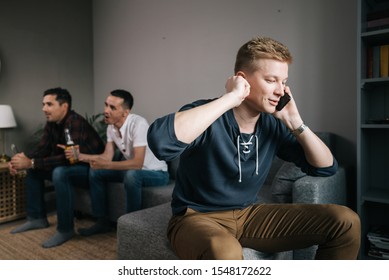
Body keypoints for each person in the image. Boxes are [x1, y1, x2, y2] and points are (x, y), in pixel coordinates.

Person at [147, 36, 361, 260]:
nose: (280, 90)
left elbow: (326, 167)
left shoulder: (272, 126)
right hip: (196, 217)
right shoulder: (208, 113)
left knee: (345, 221)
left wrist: (295, 121)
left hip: (249, 214)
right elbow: (161, 144)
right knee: (225, 250)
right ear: (242, 80)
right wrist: (231, 98)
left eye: (284, 81)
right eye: (271, 80)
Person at [9, 87, 105, 248]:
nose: (44, 108)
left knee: (60, 172)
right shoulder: (52, 123)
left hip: (92, 170)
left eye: (49, 104)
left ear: (64, 106)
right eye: (43, 104)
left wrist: (31, 163)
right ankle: (36, 218)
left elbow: (69, 160)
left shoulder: (75, 122)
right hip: (72, 167)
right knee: (35, 170)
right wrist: (21, 160)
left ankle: (66, 229)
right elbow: (42, 148)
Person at [65, 89, 169, 236]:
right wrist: (80, 155)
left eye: (112, 108)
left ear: (125, 112)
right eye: (106, 105)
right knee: (96, 172)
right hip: (132, 172)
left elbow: (137, 164)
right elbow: (107, 157)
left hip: (157, 174)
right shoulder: (111, 128)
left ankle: (131, 228)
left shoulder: (139, 124)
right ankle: (102, 222)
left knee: (132, 175)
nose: (106, 110)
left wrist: (105, 165)